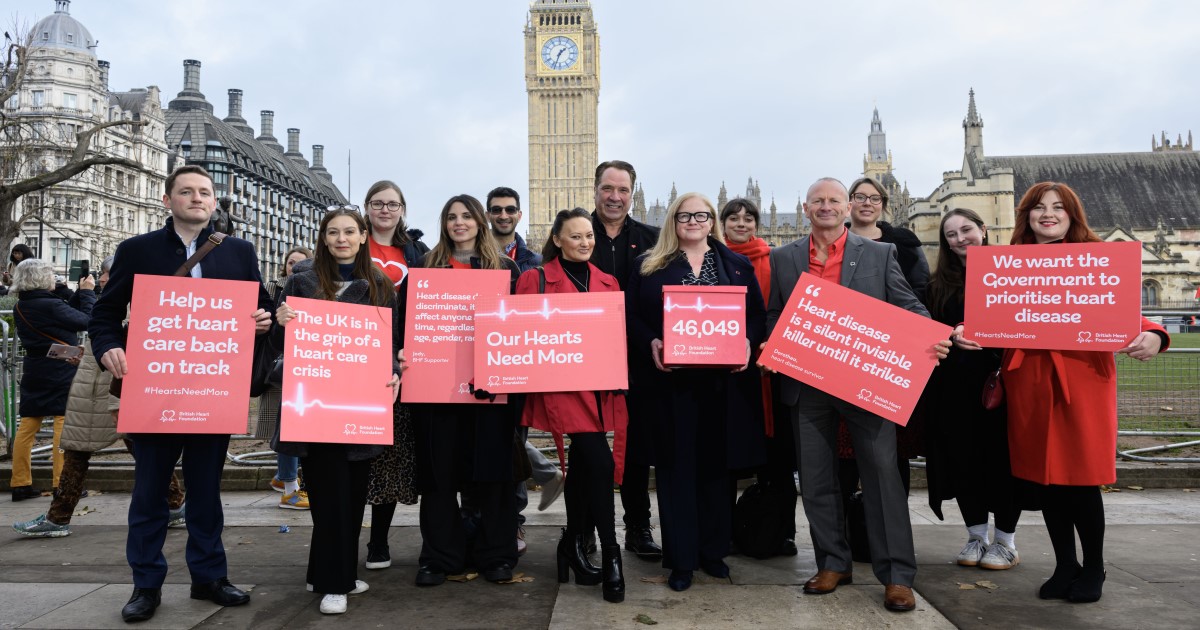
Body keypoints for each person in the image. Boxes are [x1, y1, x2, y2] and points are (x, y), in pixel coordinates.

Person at [89, 165, 273, 623]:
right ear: (168, 200)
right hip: (156, 390)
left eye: (204, 192)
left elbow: (262, 307)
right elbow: (105, 314)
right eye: (186, 191)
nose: (197, 198)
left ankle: (209, 576)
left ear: (214, 203)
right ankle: (146, 584)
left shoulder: (239, 253)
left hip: (213, 390)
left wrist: (264, 320)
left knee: (207, 492)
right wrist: (108, 347)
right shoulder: (137, 250)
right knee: (150, 491)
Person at [761, 177, 950, 613]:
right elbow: (776, 312)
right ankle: (832, 562)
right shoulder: (785, 257)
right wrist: (772, 342)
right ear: (805, 209)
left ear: (847, 208)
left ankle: (897, 575)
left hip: (868, 381)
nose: (825, 207)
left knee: (883, 477)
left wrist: (931, 336)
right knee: (816, 479)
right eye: (817, 201)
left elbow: (909, 304)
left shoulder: (881, 254)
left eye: (833, 200)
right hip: (807, 383)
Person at [986, 182, 1168, 603]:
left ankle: (1095, 568)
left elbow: (1127, 310)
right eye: (1038, 207)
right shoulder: (1010, 263)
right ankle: (1065, 563)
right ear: (1026, 214)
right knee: (1047, 480)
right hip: (1030, 381)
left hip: (1083, 379)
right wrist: (968, 331)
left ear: (1072, 215)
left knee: (1081, 480)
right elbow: (987, 315)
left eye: (1058, 208)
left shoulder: (1095, 258)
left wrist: (1157, 334)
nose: (1047, 214)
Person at [627, 192, 767, 591]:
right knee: (675, 473)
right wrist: (651, 342)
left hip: (722, 387)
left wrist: (746, 341)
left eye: (701, 215)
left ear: (711, 221)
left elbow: (755, 316)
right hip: (670, 387)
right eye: (685, 215)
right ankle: (681, 560)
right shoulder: (648, 265)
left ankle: (712, 552)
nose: (693, 221)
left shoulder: (736, 264)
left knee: (716, 472)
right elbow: (632, 315)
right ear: (673, 220)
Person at [272, 206, 402, 615]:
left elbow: (390, 345)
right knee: (328, 496)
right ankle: (335, 582)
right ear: (324, 238)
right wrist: (280, 322)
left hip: (361, 406)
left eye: (349, 231)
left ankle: (325, 570)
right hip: (315, 408)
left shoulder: (380, 285)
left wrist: (395, 374)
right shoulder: (300, 281)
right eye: (333, 232)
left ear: (364, 236)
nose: (341, 239)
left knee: (352, 496)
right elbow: (278, 348)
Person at [12, 257, 188, 537]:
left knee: (123, 448)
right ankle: (175, 505)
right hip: (97, 382)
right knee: (98, 448)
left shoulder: (124, 301)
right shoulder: (123, 299)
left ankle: (58, 518)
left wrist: (84, 294)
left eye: (105, 274)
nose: (100, 279)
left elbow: (94, 323)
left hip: (106, 383)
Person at [517, 208, 627, 602]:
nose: (584, 243)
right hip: (561, 385)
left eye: (589, 236)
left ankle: (573, 545)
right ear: (557, 238)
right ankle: (611, 553)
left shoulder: (607, 280)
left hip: (598, 387)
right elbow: (520, 332)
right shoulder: (536, 279)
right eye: (576, 236)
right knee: (597, 460)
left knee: (585, 466)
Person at [412, 194, 522, 586]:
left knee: (494, 475)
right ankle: (440, 557)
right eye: (451, 217)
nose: (459, 223)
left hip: (489, 392)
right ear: (444, 223)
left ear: (479, 221)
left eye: (466, 217)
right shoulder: (424, 269)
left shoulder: (505, 270)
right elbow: (405, 326)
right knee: (439, 477)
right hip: (436, 391)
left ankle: (496, 554)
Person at [923, 209, 1022, 569]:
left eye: (966, 229)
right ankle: (976, 536)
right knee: (964, 462)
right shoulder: (937, 286)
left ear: (984, 229)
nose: (960, 238)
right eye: (951, 234)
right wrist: (951, 333)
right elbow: (926, 329)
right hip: (955, 388)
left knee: (1002, 462)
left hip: (1001, 385)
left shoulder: (1012, 274)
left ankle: (1006, 542)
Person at [837, 176, 931, 538]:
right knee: (844, 450)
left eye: (873, 198)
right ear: (848, 204)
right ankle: (846, 532)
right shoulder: (834, 241)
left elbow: (918, 291)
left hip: (891, 354)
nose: (865, 203)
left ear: (884, 203)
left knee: (893, 449)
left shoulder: (903, 243)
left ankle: (892, 530)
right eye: (858, 197)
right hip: (845, 355)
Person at [588, 160, 663, 561]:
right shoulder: (575, 233)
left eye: (622, 190)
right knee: (587, 447)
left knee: (635, 448)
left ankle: (637, 526)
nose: (614, 197)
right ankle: (585, 528)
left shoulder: (652, 238)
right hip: (585, 356)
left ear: (632, 193)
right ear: (595, 190)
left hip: (638, 357)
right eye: (607, 189)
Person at [483, 185, 561, 557]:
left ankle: (514, 523)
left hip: (516, 362)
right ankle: (481, 521)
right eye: (496, 210)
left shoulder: (534, 260)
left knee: (514, 442)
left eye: (509, 210)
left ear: (519, 215)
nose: (502, 215)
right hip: (475, 361)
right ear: (488, 214)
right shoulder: (472, 257)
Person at [720, 198, 798, 556]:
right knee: (729, 458)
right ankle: (726, 531)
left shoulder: (777, 259)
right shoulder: (712, 259)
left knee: (779, 460)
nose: (741, 223)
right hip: (733, 376)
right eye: (733, 217)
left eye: (748, 218)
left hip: (774, 372)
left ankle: (781, 533)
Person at [361, 180, 422, 571]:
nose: (385, 210)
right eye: (378, 203)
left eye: (393, 204)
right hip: (353, 357)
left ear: (402, 209)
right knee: (352, 453)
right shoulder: (350, 243)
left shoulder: (415, 252)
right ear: (366, 207)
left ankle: (378, 540)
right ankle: (342, 535)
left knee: (390, 455)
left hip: (399, 362)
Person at [9, 258, 96, 501]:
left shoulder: (22, 305)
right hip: (60, 368)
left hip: (35, 368)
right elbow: (86, 320)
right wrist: (88, 294)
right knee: (62, 421)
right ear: (42, 278)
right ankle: (62, 482)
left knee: (28, 424)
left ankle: (20, 483)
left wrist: (77, 292)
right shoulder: (49, 305)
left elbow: (67, 312)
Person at [259, 246, 313, 510]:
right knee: (287, 426)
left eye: (301, 263)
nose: (294, 267)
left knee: (298, 424)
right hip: (278, 366)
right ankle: (290, 485)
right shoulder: (273, 288)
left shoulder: (315, 286)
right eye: (291, 262)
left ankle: (285, 478)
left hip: (308, 367)